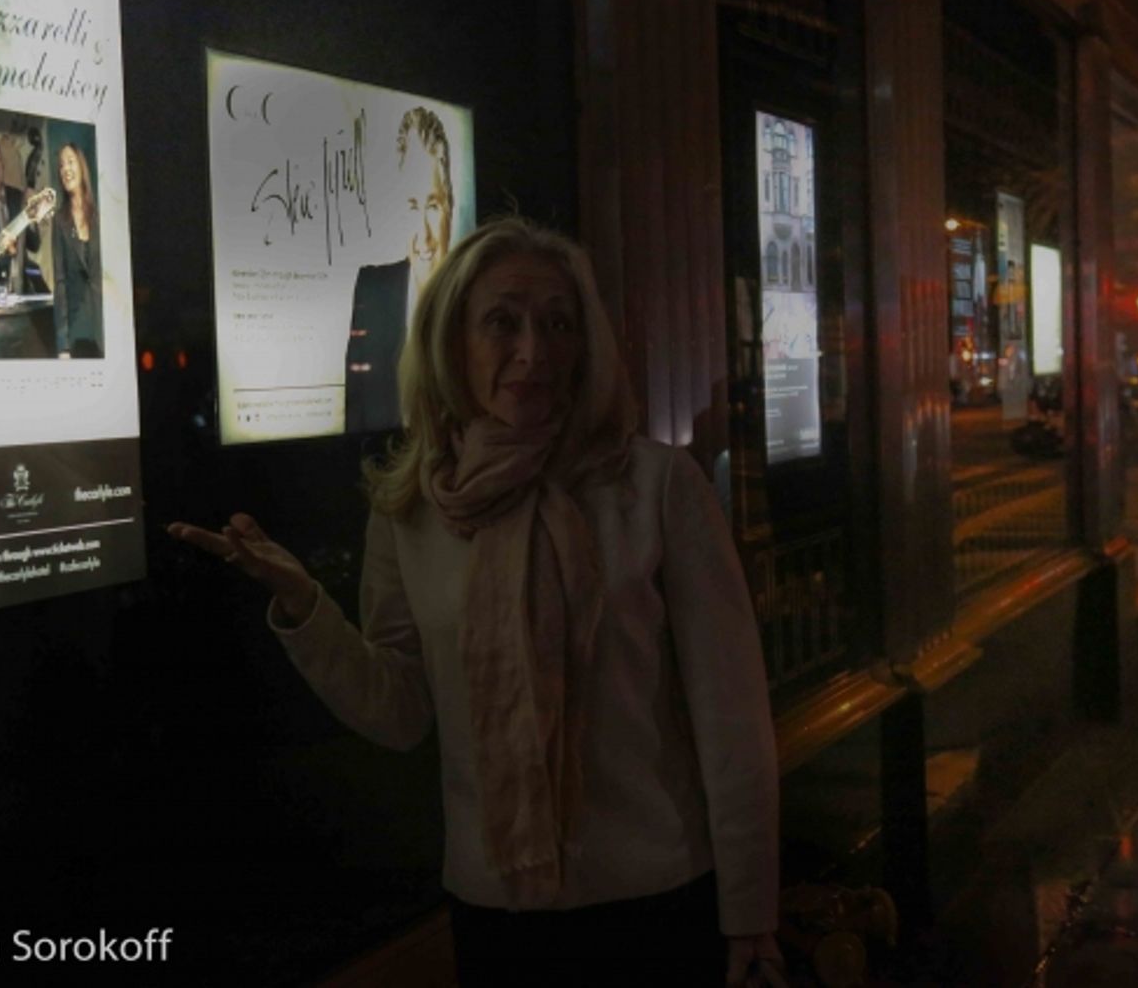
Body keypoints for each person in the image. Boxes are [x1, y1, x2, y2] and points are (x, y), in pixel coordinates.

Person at [172, 218, 783, 987]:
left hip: (657, 901)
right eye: (502, 322)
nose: (533, 351)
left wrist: (750, 909)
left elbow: (732, 718)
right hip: (496, 911)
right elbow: (400, 711)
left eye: (558, 324)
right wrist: (304, 607)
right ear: (451, 341)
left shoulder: (655, 488)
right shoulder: (411, 508)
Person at [343, 106, 455, 433]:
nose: (423, 235)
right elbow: (355, 414)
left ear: (450, 206)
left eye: (432, 206)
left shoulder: (478, 299)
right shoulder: (371, 287)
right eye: (412, 206)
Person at [52, 142, 103, 358]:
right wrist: (63, 344)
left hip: (105, 326)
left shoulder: (100, 215)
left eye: (70, 162)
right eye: (61, 165)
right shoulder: (59, 221)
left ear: (82, 167)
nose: (65, 169)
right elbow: (60, 283)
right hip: (77, 331)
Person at [0, 134, 41, 295]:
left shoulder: (18, 197)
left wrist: (32, 213)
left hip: (22, 285)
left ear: (3, 163)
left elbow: (34, 244)